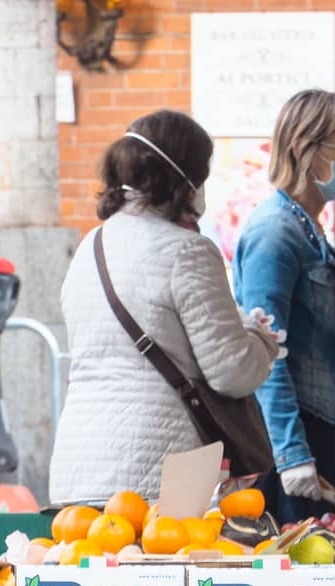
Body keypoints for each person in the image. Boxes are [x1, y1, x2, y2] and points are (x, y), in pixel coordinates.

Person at [48, 109, 282, 505]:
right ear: (186, 180)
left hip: (78, 465)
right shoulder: (187, 251)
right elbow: (231, 372)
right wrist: (262, 339)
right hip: (157, 476)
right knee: (161, 568)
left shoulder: (90, 247)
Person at [234, 89, 335, 521]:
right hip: (294, 433)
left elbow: (302, 328)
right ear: (306, 149)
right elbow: (268, 352)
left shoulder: (306, 227)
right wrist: (292, 456)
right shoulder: (275, 233)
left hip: (319, 421)